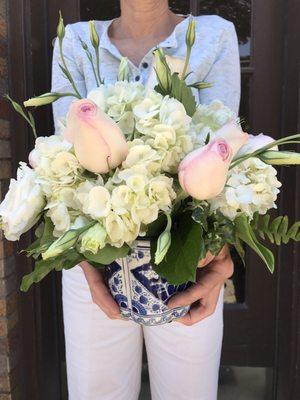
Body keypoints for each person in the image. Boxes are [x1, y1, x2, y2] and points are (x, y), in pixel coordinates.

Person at [51, 1, 240, 399]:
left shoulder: (212, 36)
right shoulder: (77, 43)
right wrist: (85, 265)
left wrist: (218, 253)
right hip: (94, 257)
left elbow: (223, 155)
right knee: (95, 392)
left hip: (190, 260)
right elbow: (62, 164)